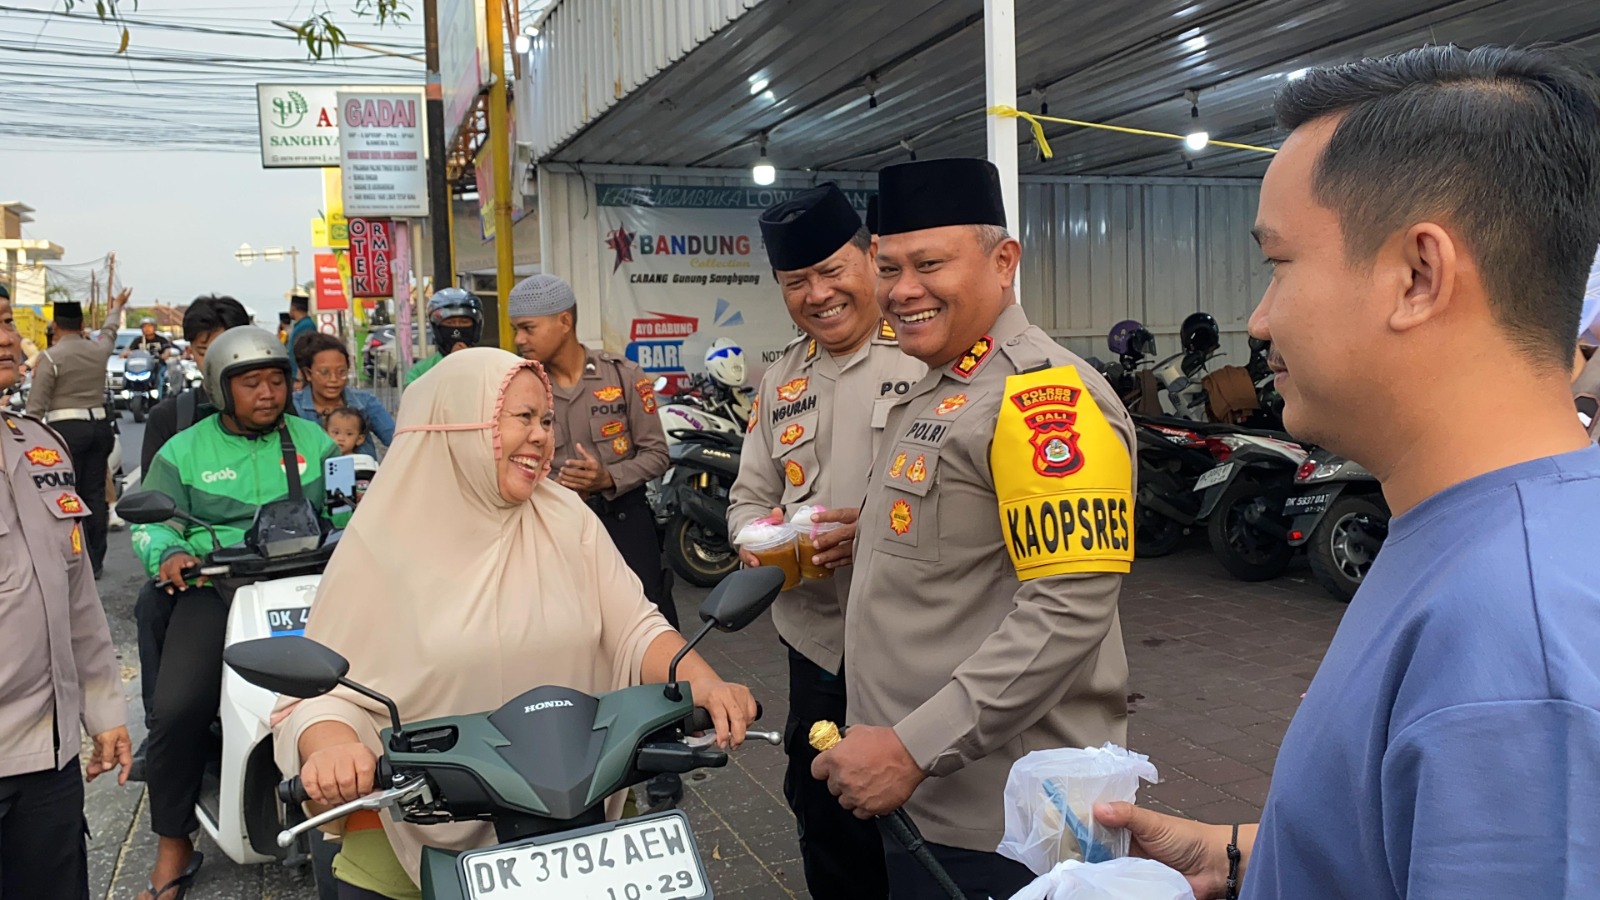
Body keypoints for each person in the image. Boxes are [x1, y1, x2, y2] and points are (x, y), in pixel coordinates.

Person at [1091, 45, 1600, 900]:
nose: (1259, 320)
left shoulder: (1518, 646)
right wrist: (1247, 857)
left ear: (1418, 276)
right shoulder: (1494, 533)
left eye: (1278, 264)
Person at [271, 348, 760, 899]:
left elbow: (634, 627)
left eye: (546, 421)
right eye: (523, 418)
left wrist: (705, 683)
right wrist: (332, 748)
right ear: (458, 425)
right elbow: (320, 692)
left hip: (576, 823)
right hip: (417, 823)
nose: (542, 437)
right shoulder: (378, 543)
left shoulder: (566, 516)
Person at [810, 158, 1136, 900]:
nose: (902, 290)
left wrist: (912, 748)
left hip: (1005, 821)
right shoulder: (945, 381)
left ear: (1004, 261)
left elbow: (1070, 605)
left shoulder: (1041, 397)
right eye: (888, 268)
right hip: (929, 800)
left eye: (930, 265)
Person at [727, 183, 925, 899]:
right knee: (828, 817)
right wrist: (756, 540)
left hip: (919, 645)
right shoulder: (781, 378)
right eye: (795, 281)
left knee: (928, 820)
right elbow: (749, 497)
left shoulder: (927, 353)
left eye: (832, 270)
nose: (817, 294)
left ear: (871, 259)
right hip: (819, 648)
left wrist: (871, 532)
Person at [132, 326, 337, 900]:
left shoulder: (315, 442)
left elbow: (349, 508)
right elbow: (151, 526)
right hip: (215, 589)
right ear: (220, 390)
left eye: (276, 381)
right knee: (177, 711)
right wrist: (169, 553)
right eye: (251, 384)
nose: (267, 393)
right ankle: (174, 842)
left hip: (310, 587)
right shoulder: (184, 451)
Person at [506, 273, 683, 804]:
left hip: (624, 522)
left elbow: (657, 454)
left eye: (528, 328)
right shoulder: (517, 387)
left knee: (648, 629)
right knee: (566, 637)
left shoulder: (623, 376)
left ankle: (664, 751)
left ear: (564, 322)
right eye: (516, 329)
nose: (518, 339)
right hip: (551, 532)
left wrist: (609, 477)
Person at [0, 289, 130, 900]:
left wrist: (103, 712)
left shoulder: (37, 445)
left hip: (44, 758)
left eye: (7, 323)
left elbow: (76, 598)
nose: (8, 339)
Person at [126, 296, 253, 783]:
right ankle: (163, 729)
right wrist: (173, 551)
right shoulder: (173, 418)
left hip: (280, 563)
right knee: (153, 604)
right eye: (204, 350)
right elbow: (156, 506)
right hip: (204, 568)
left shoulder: (286, 414)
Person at [27, 292, 130, 579]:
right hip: (99, 427)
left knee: (67, 496)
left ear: (55, 326)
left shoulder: (50, 357)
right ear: (82, 324)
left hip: (66, 432)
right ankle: (96, 561)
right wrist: (116, 307)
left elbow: (35, 407)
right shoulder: (98, 350)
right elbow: (110, 331)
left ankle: (77, 558)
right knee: (94, 493)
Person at [292, 331, 395, 456]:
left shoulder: (365, 402)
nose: (334, 379)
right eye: (324, 373)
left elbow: (397, 440)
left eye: (341, 372)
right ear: (308, 374)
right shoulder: (293, 407)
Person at [405, 288, 482, 386]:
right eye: (450, 323)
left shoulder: (488, 366)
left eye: (464, 322)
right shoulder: (419, 372)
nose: (457, 328)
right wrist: (451, 364)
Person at [286, 292, 315, 385]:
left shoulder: (306, 325)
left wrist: (300, 377)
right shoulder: (300, 325)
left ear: (293, 308)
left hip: (300, 376)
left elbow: (304, 352)